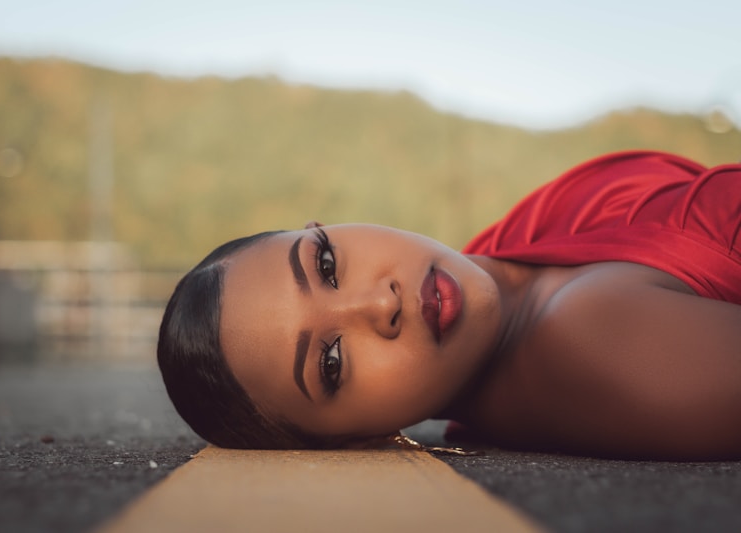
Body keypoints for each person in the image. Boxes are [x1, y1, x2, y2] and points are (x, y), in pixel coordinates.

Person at [157, 150, 741, 460]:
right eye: (331, 363)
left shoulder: (500, 253)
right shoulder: (589, 344)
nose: (379, 303)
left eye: (327, 264)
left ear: (322, 226)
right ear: (356, 441)